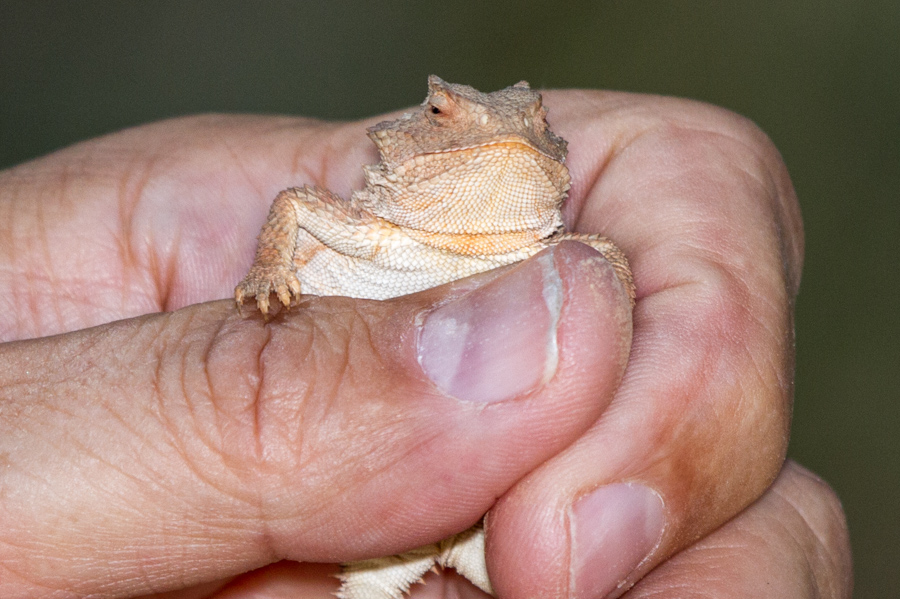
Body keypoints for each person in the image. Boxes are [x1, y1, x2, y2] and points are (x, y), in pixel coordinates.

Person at [0, 90, 851, 598]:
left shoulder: (558, 262)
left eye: (529, 124)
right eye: (449, 113)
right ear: (409, 136)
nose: (499, 134)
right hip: (356, 521)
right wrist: (266, 279)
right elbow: (294, 210)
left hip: (489, 526)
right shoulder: (366, 230)